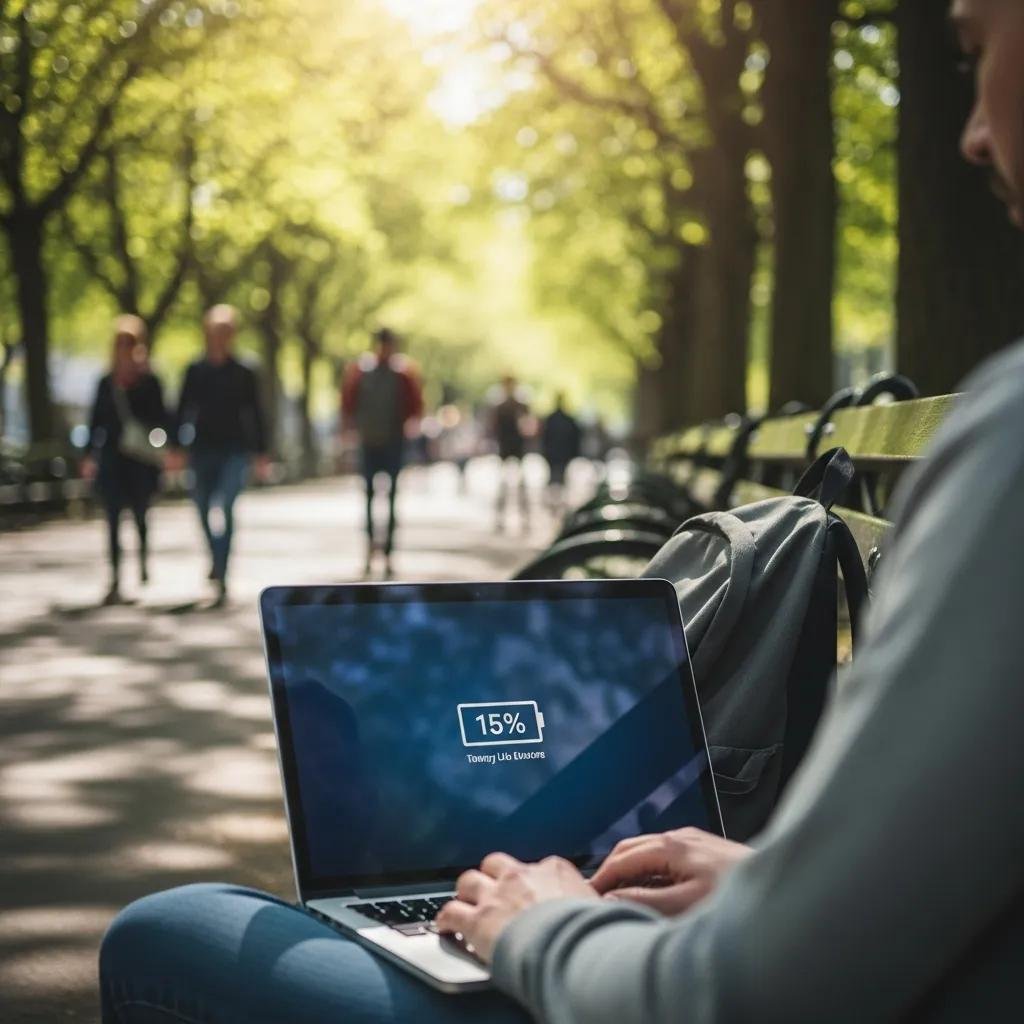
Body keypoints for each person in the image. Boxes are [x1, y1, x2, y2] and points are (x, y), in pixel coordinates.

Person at [99, 2, 1024, 1019]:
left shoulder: (1009, 442)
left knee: (167, 927)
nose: (971, 131)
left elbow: (744, 991)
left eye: (975, 48)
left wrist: (541, 924)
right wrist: (769, 879)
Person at [174, 305, 269, 606]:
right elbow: (182, 410)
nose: (221, 338)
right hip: (202, 448)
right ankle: (216, 556)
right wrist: (175, 448)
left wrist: (262, 452)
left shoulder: (244, 371)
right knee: (201, 506)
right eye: (216, 332)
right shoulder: (195, 370)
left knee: (227, 506)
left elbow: (256, 412)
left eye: (226, 332)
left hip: (234, 449)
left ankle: (223, 572)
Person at [83, 315, 169, 606]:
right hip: (111, 458)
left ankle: (143, 562)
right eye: (120, 343)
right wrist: (87, 455)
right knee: (112, 518)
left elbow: (162, 419)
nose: (124, 348)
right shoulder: (105, 383)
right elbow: (94, 420)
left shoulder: (150, 381)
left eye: (129, 343)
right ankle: (116, 578)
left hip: (140, 460)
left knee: (142, 515)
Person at [341, 327, 423, 577]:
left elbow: (415, 407)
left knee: (390, 499)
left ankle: (387, 552)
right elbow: (347, 404)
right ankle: (369, 549)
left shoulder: (403, 373)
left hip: (392, 442)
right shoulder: (361, 370)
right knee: (369, 497)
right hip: (370, 442)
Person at [490, 375, 532, 533]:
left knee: (521, 484)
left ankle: (524, 519)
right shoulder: (501, 406)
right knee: (504, 484)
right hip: (506, 447)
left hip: (516, 447)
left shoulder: (519, 405)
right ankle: (501, 519)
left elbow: (529, 426)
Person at [541, 393, 582, 515]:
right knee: (559, 477)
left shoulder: (551, 419)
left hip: (555, 453)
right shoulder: (567, 419)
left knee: (555, 477)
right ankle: (557, 501)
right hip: (561, 454)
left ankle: (555, 501)